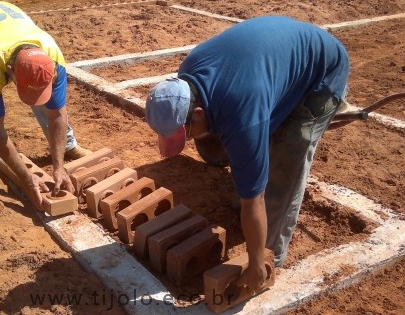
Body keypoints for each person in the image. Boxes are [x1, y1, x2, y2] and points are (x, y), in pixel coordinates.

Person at [145, 15, 349, 293]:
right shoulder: (187, 76)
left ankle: (271, 253)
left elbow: (256, 200)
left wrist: (255, 264)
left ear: (198, 113)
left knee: (285, 163)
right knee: (231, 145)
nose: (188, 139)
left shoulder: (244, 118)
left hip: (320, 74)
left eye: (186, 132)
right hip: (270, 65)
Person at [0, 1, 92, 210]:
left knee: (46, 97)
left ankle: (67, 145)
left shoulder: (53, 58)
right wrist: (25, 176)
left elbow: (57, 114)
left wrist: (59, 166)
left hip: (3, 22)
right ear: (10, 71)